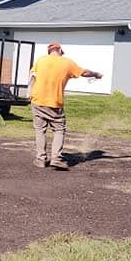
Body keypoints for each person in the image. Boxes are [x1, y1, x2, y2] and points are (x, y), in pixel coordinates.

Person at [28, 42, 102, 170]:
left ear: (49, 51)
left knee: (40, 130)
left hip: (37, 100)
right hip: (55, 102)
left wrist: (29, 94)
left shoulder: (40, 61)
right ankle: (56, 158)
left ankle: (41, 159)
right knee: (59, 129)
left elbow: (32, 77)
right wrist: (96, 74)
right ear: (60, 50)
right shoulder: (67, 63)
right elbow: (84, 72)